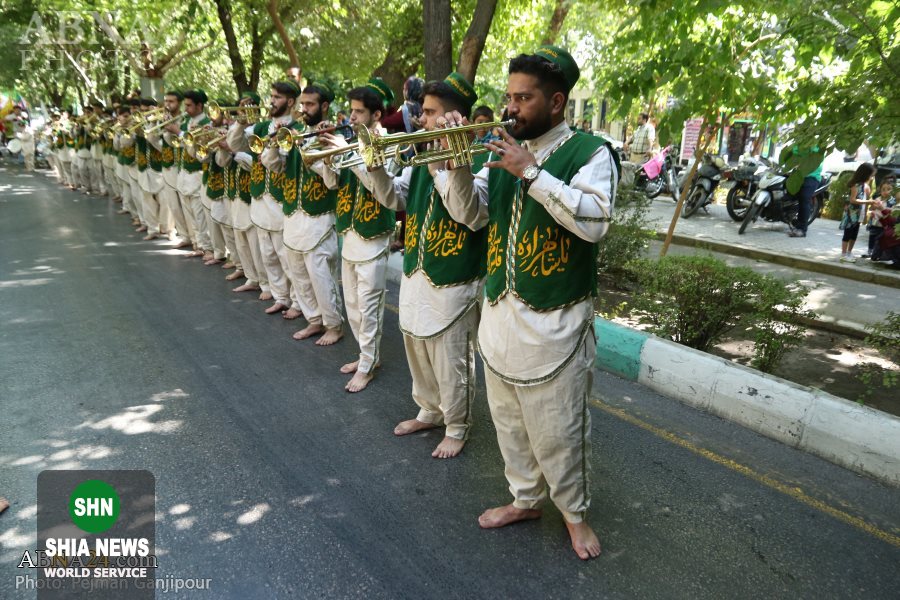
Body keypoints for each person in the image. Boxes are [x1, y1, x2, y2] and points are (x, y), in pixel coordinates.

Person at [445, 46, 617, 560]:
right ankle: (525, 499)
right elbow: (471, 216)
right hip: (500, 315)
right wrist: (455, 168)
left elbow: (593, 222)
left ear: (557, 101)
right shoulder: (500, 148)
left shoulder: (590, 151)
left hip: (557, 322)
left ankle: (574, 514)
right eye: (509, 96)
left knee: (559, 428)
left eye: (524, 98)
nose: (511, 107)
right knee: (510, 422)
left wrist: (532, 173)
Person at [366, 72, 485, 458]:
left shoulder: (481, 158)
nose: (420, 119)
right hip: (418, 267)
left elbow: (468, 213)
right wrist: (373, 167)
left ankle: (456, 424)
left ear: (452, 117)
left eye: (430, 113)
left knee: (450, 357)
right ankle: (429, 410)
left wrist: (445, 165)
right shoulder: (419, 157)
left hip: (455, 275)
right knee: (415, 344)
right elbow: (394, 199)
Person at [319, 78, 397, 392]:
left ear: (377, 115)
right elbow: (331, 185)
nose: (351, 118)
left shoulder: (390, 143)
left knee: (369, 305)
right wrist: (327, 158)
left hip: (374, 234)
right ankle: (366, 355)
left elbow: (381, 189)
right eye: (351, 110)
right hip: (350, 232)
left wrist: (348, 156)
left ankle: (367, 365)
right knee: (352, 303)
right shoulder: (350, 139)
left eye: (359, 112)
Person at [262, 80, 344, 341]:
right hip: (292, 214)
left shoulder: (333, 134)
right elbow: (274, 167)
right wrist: (275, 144)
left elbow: (333, 180)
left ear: (324, 106)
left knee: (321, 275)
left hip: (319, 215)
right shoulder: (293, 131)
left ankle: (333, 325)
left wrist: (314, 149)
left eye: (310, 104)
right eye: (303, 104)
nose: (304, 109)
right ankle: (314, 320)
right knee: (299, 273)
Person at [839, 163, 877, 262]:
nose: (872, 177)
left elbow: (867, 202)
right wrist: (868, 202)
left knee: (854, 235)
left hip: (860, 215)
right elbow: (853, 200)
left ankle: (849, 252)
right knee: (847, 234)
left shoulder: (867, 187)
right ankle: (843, 254)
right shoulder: (855, 185)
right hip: (851, 215)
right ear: (865, 174)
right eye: (871, 175)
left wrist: (867, 213)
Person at [787, 145, 825, 238]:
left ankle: (802, 230)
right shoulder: (798, 144)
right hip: (797, 175)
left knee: (804, 199)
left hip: (812, 176)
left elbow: (813, 161)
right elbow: (792, 156)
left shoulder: (816, 146)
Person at [864, 179, 897, 260]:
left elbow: (891, 212)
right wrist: (873, 208)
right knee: (872, 236)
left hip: (884, 224)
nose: (886, 192)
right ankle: (870, 251)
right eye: (883, 189)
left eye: (889, 189)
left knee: (881, 239)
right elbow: (871, 208)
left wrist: (883, 208)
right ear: (880, 190)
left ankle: (880, 254)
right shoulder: (877, 198)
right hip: (875, 222)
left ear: (893, 190)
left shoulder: (892, 201)